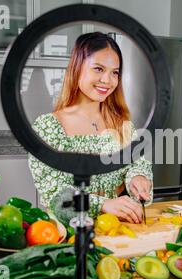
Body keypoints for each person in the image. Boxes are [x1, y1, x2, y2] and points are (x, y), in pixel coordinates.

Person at [28, 32, 153, 224]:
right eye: (98, 69)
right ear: (77, 68)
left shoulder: (121, 123)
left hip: (117, 229)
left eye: (115, 72)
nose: (108, 80)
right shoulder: (48, 127)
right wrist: (103, 205)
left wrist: (138, 177)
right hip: (71, 234)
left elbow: (137, 162)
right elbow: (54, 194)